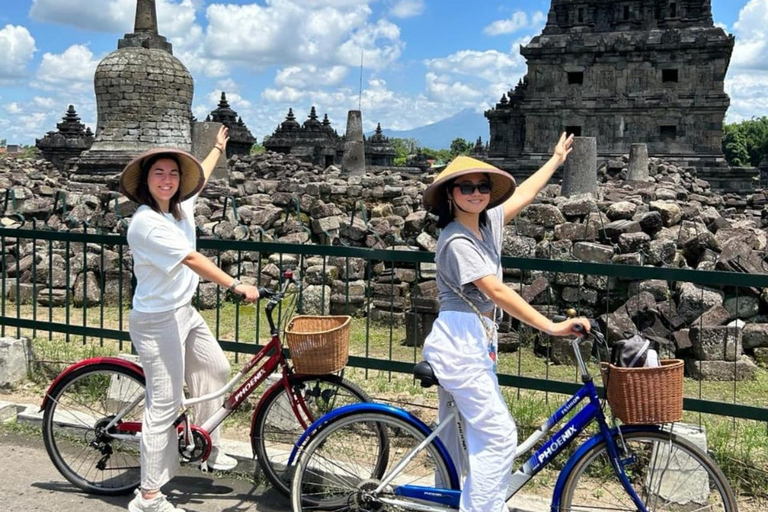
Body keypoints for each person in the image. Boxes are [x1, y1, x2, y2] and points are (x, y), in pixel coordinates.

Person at [421, 133, 590, 512]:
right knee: (499, 436)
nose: (476, 193)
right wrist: (551, 327)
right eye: (466, 187)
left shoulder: (487, 223)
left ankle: (446, 503)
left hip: (475, 339)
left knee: (454, 438)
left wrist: (555, 160)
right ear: (451, 194)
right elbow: (496, 292)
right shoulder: (456, 240)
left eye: (482, 186)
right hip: (459, 341)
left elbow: (525, 195)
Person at [121, 126, 260, 512]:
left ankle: (205, 444)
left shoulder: (179, 208)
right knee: (164, 405)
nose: (167, 180)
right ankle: (148, 496)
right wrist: (235, 285)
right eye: (158, 174)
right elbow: (192, 260)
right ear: (145, 182)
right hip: (156, 321)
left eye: (173, 173)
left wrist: (216, 149)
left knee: (216, 369)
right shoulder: (146, 223)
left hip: (185, 312)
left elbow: (203, 175)